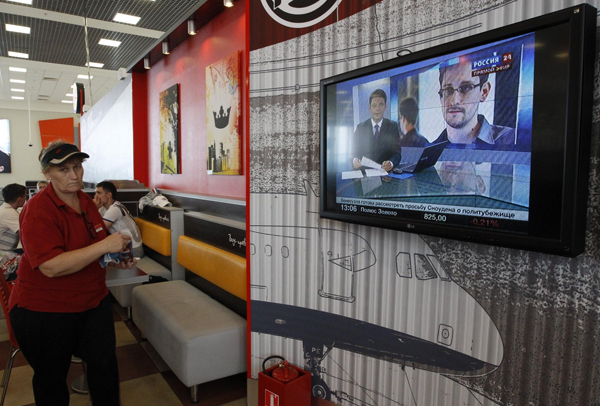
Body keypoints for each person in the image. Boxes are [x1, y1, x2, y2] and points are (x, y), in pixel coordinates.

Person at [8, 141, 135, 406]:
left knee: (105, 372)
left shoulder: (86, 202)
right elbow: (51, 266)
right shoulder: (37, 210)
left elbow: (90, 246)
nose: (74, 175)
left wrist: (111, 258)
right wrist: (104, 246)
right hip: (45, 310)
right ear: (47, 174)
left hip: (92, 302)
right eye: (63, 169)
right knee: (52, 381)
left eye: (77, 167)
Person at [433, 61, 515, 146]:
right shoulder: (428, 152)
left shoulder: (513, 139)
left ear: (484, 92)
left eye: (466, 88)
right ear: (440, 96)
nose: (454, 101)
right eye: (447, 90)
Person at [351, 89, 401, 172]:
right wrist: (354, 160)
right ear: (370, 108)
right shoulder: (360, 128)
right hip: (364, 176)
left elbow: (397, 153)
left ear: (385, 106)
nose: (377, 109)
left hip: (386, 176)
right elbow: (353, 153)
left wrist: (391, 163)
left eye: (381, 105)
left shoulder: (393, 126)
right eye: (374, 105)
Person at [94, 181, 145, 258]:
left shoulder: (115, 209)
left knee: (96, 256)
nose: (95, 196)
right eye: (95, 193)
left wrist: (93, 208)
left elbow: (99, 230)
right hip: (122, 246)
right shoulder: (102, 209)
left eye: (99, 193)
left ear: (109, 195)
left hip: (134, 249)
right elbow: (93, 225)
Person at [0, 183, 26, 253]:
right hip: (4, 254)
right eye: (25, 196)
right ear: (20, 199)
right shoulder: (9, 213)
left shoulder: (3, 209)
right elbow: (25, 233)